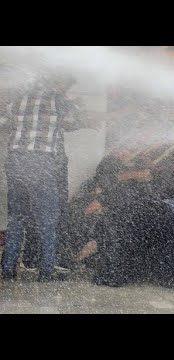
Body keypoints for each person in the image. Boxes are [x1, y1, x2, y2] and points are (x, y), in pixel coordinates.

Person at [0, 70, 89, 281]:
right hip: (41, 161)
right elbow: (76, 119)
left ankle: (7, 269)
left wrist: (25, 129)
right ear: (55, 81)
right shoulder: (59, 100)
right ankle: (46, 271)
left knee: (17, 218)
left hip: (16, 160)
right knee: (47, 220)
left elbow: (3, 123)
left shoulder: (19, 97)